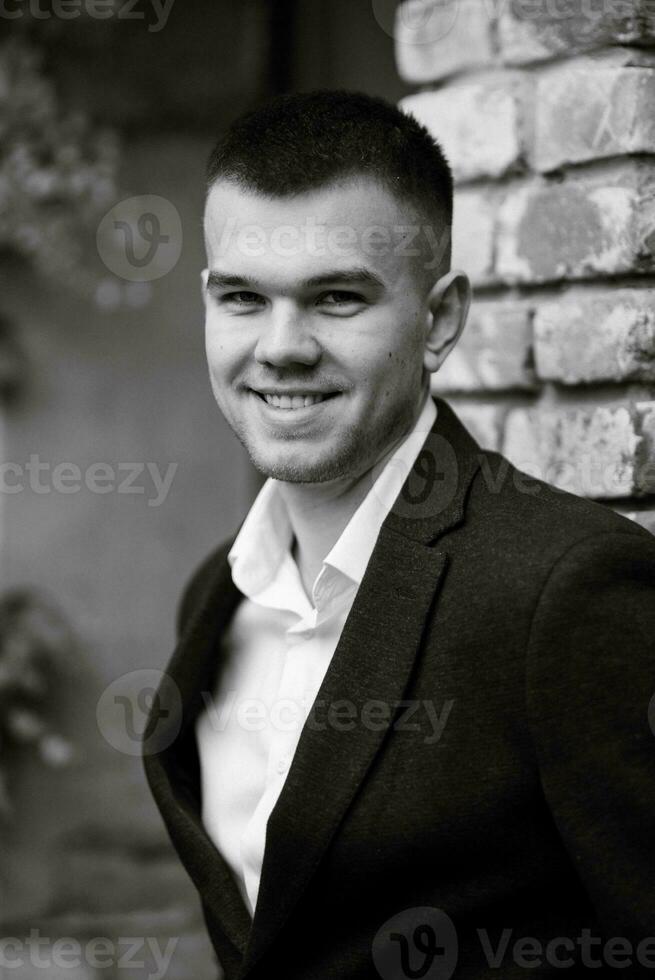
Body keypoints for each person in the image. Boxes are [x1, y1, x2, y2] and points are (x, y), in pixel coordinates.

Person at [143, 91, 655, 980]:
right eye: (242, 298)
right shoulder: (215, 595)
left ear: (440, 320)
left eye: (336, 298)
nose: (281, 347)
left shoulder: (563, 591)